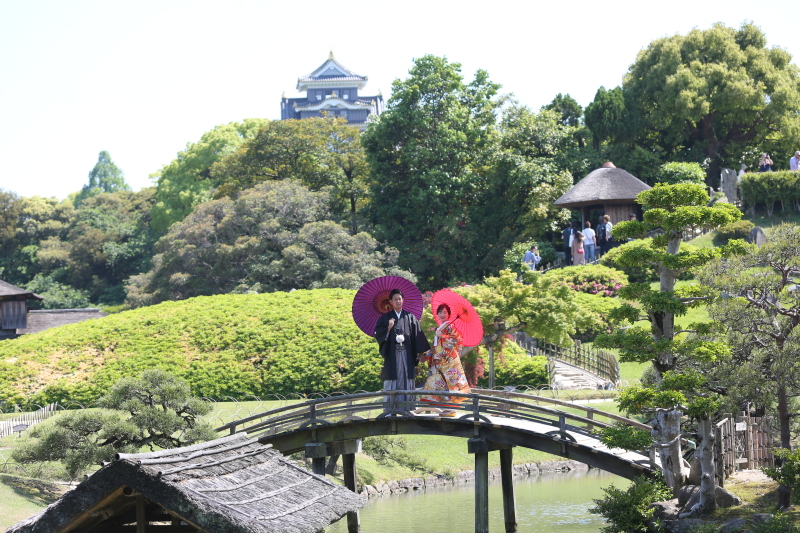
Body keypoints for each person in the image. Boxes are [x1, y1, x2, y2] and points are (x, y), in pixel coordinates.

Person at [374, 289, 431, 411]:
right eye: (395, 299)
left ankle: (408, 408)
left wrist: (421, 353)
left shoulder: (410, 317)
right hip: (392, 354)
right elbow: (378, 334)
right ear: (390, 301)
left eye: (400, 299)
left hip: (408, 353)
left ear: (403, 300)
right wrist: (388, 328)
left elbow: (417, 335)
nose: (398, 301)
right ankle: (391, 409)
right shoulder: (385, 318)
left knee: (408, 378)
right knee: (393, 378)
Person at [420, 304, 471, 417]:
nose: (442, 314)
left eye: (445, 312)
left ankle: (451, 410)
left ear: (449, 314)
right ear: (437, 314)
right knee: (441, 384)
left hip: (448, 361)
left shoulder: (450, 326)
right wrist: (427, 354)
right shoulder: (441, 327)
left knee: (450, 385)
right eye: (440, 312)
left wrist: (442, 335)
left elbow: (457, 340)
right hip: (439, 362)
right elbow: (436, 346)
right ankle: (448, 409)